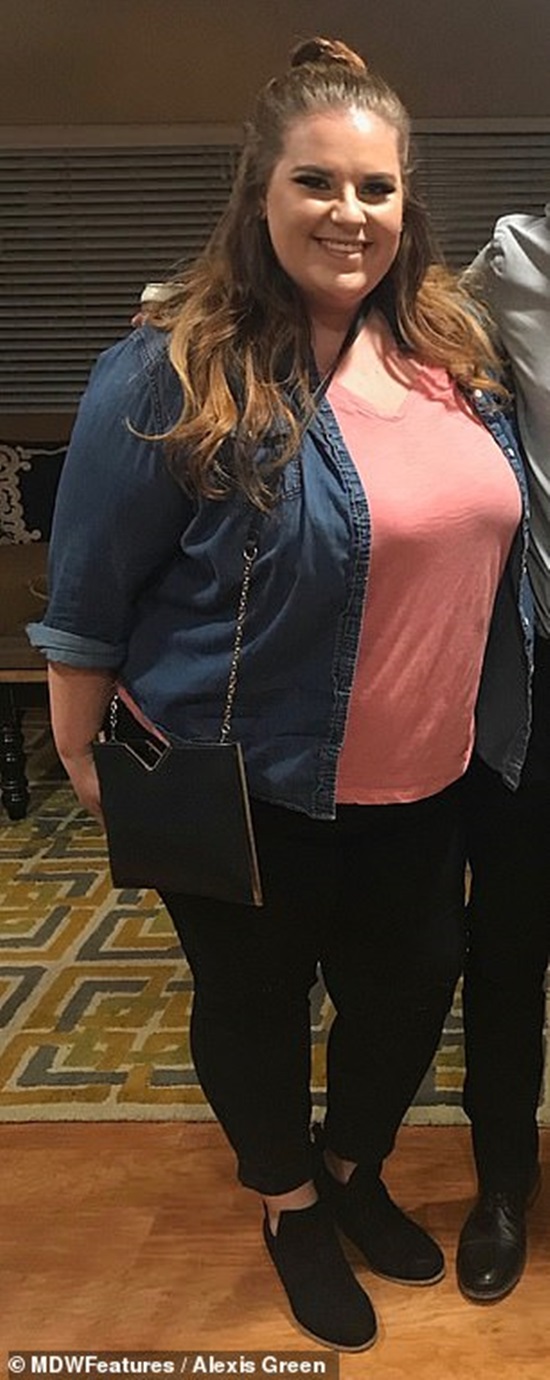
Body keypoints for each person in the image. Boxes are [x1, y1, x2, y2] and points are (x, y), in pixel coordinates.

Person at [28, 37, 533, 1352]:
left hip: (425, 775)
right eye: (316, 181)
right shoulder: (173, 364)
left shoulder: (449, 350)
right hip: (237, 774)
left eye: (375, 187)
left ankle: (351, 1168)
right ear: (259, 190)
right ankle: (289, 1201)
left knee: (410, 991)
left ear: (406, 202)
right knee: (251, 1005)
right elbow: (90, 582)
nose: (346, 212)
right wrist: (84, 753)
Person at [456, 204, 550, 1304]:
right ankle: (500, 1186)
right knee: (506, 947)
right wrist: (180, 306)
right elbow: (377, 307)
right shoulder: (518, 259)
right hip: (532, 679)